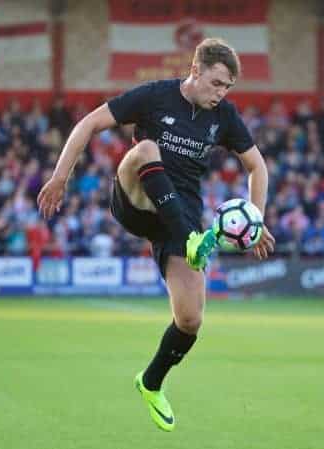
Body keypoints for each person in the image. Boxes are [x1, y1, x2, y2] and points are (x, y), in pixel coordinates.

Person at [37, 38, 275, 431]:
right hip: (135, 198)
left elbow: (258, 168)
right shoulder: (155, 96)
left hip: (177, 218)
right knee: (146, 148)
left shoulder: (225, 117)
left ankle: (151, 383)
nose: (222, 94)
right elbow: (89, 123)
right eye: (216, 83)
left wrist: (257, 217)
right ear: (195, 70)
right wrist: (60, 177)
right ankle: (191, 239)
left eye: (227, 87)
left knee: (190, 319)